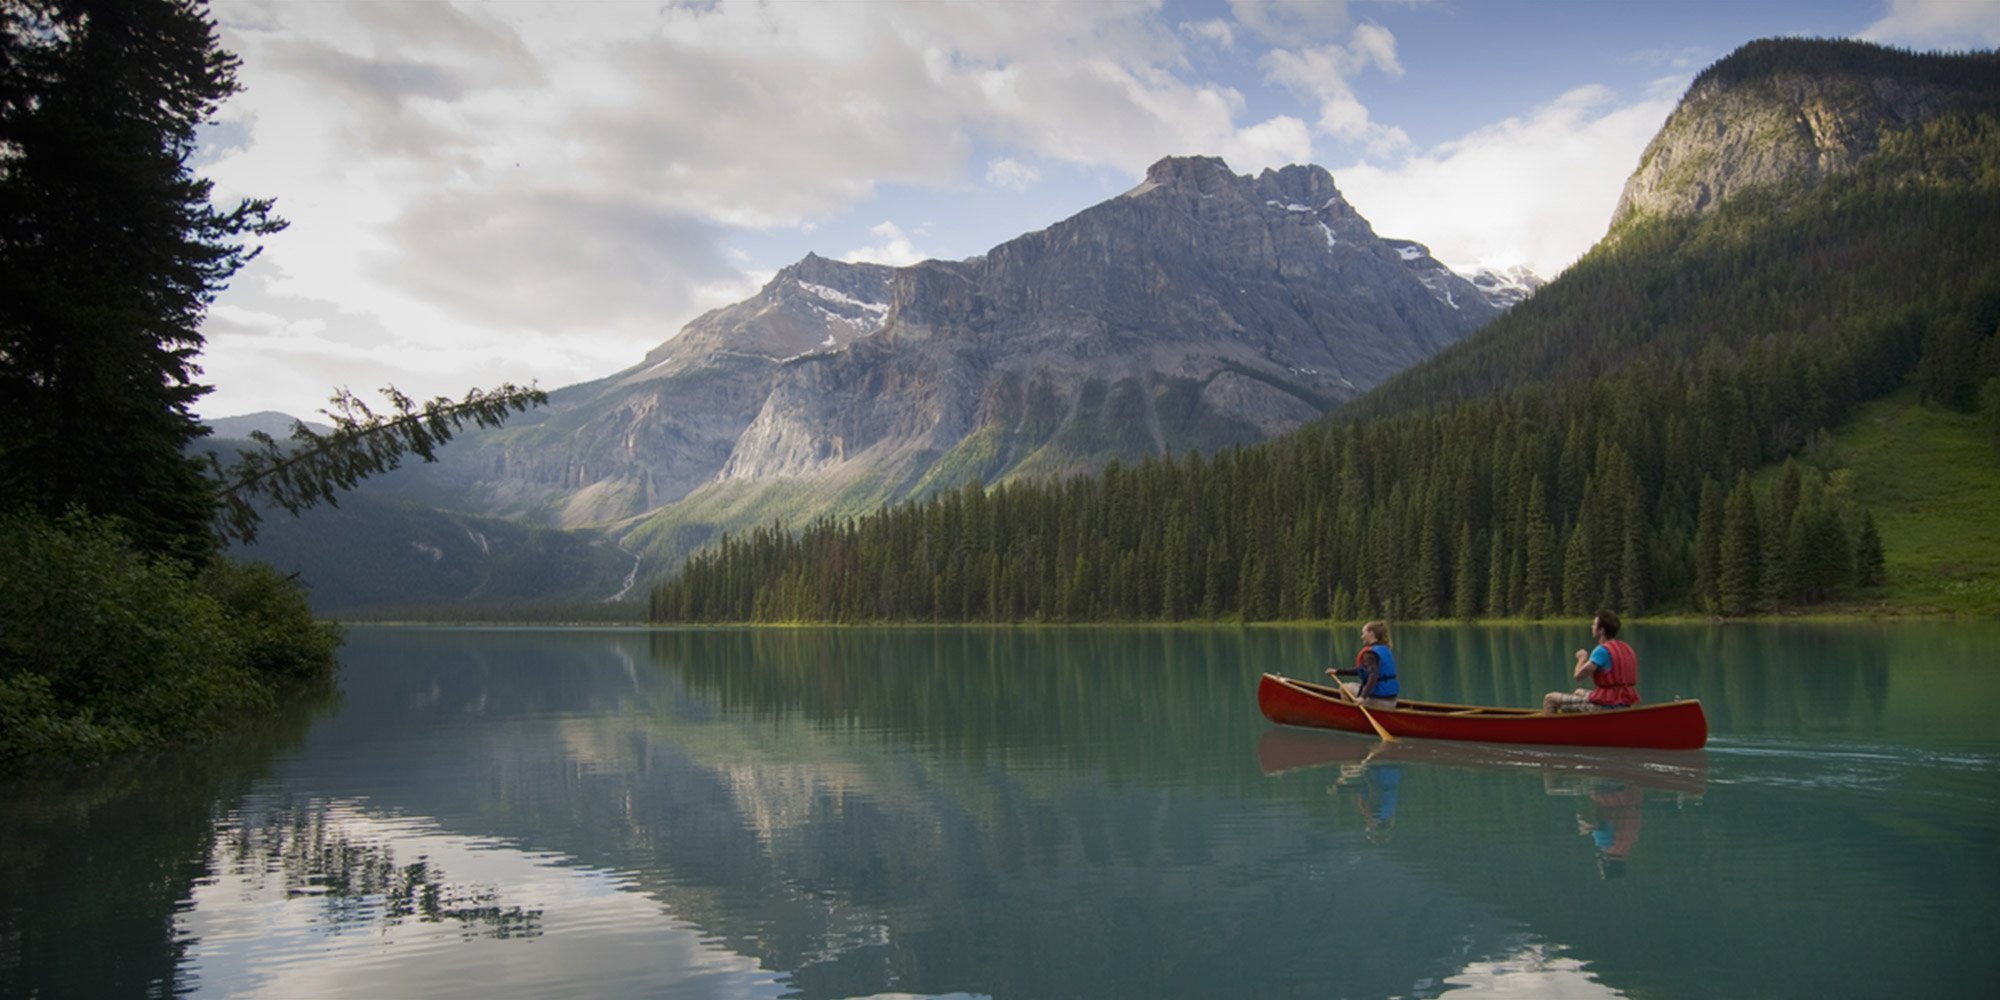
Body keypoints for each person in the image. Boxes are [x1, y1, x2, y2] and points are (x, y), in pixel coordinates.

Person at [1542, 609, 1640, 713]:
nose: (1592, 627)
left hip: (1605, 705)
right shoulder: (1626, 647)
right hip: (1625, 702)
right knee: (1578, 692)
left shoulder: (1602, 650)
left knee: (1550, 699)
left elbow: (1578, 676)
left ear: (1601, 630)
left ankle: (1546, 727)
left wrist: (1582, 659)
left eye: (1594, 625)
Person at [1326, 620, 1399, 710]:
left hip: (1381, 702)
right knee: (1352, 685)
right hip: (1392, 701)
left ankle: (1352, 717)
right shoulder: (1385, 649)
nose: (1362, 637)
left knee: (1344, 688)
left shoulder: (1370, 654)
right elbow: (1361, 670)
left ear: (1371, 633)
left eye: (1363, 633)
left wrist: (1362, 697)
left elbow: (1373, 676)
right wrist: (1337, 671)